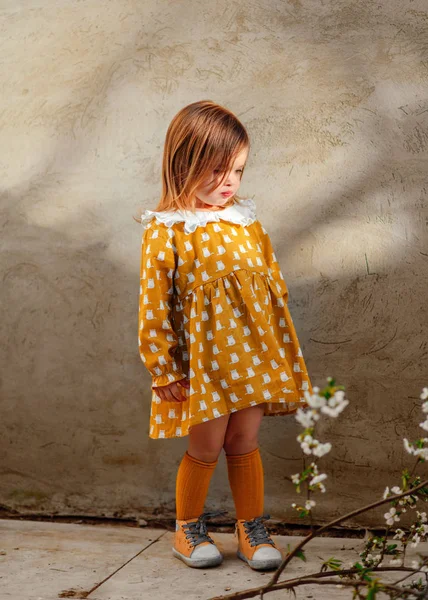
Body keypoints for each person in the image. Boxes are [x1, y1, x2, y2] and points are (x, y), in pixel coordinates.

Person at [137, 100, 314, 570]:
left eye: (237, 169)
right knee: (207, 444)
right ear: (185, 163)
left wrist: (277, 347)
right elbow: (155, 304)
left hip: (253, 353)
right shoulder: (169, 230)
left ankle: (251, 528)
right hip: (206, 362)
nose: (231, 180)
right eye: (217, 169)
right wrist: (164, 365)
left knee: (245, 440)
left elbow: (269, 281)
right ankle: (188, 529)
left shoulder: (246, 221)